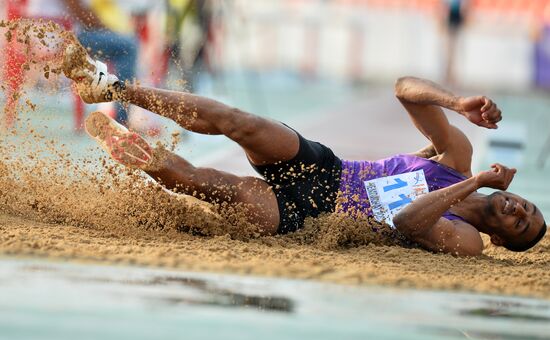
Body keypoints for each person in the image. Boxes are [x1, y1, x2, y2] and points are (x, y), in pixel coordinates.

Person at [62, 44, 547, 257]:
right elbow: (403, 88)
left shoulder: (468, 241)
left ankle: (126, 146)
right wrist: (455, 102)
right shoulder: (455, 157)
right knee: (241, 122)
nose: (517, 210)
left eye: (519, 223)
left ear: (503, 238)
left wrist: (477, 183)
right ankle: (113, 88)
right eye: (527, 207)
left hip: (311, 215)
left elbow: (407, 222)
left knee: (204, 182)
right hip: (327, 167)